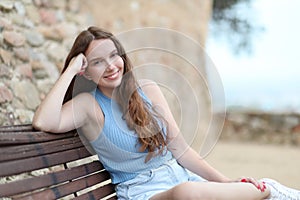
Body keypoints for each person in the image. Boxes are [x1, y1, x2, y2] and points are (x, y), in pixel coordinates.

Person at [33, 26, 300, 200]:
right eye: (97, 62)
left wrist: (224, 181)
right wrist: (70, 69)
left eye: (114, 56)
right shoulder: (87, 106)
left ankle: (267, 190)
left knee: (202, 189)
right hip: (143, 192)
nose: (111, 66)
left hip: (180, 177)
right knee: (188, 194)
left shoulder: (147, 89)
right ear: (86, 71)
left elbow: (181, 150)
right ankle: (268, 190)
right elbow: (43, 121)